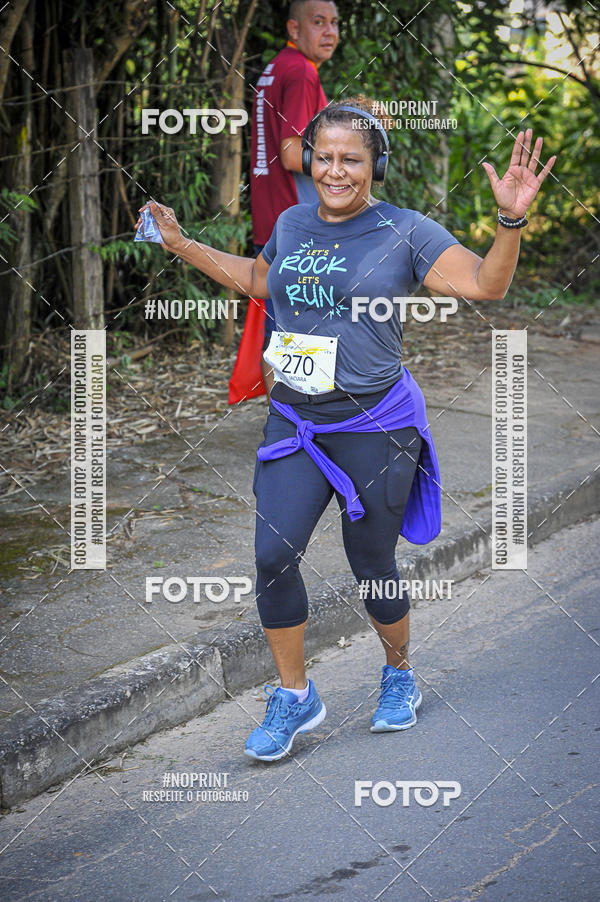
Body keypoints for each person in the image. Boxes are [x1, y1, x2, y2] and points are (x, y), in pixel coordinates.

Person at [137, 101, 555, 762]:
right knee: (273, 558)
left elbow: (485, 284)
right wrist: (181, 243)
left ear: (373, 166)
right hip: (296, 421)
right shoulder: (294, 221)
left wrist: (510, 219)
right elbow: (258, 280)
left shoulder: (405, 230)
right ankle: (296, 696)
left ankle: (398, 674)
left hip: (375, 426)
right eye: (324, 157)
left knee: (373, 564)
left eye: (351, 159)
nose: (336, 171)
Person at [229, 0, 339, 404]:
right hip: (296, 221)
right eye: (318, 23)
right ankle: (297, 425)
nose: (330, 32)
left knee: (282, 328)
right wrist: (344, 161)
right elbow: (293, 154)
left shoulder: (276, 68)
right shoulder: (302, 72)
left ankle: (287, 424)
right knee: (301, 330)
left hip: (272, 217)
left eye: (334, 23)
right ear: (294, 29)